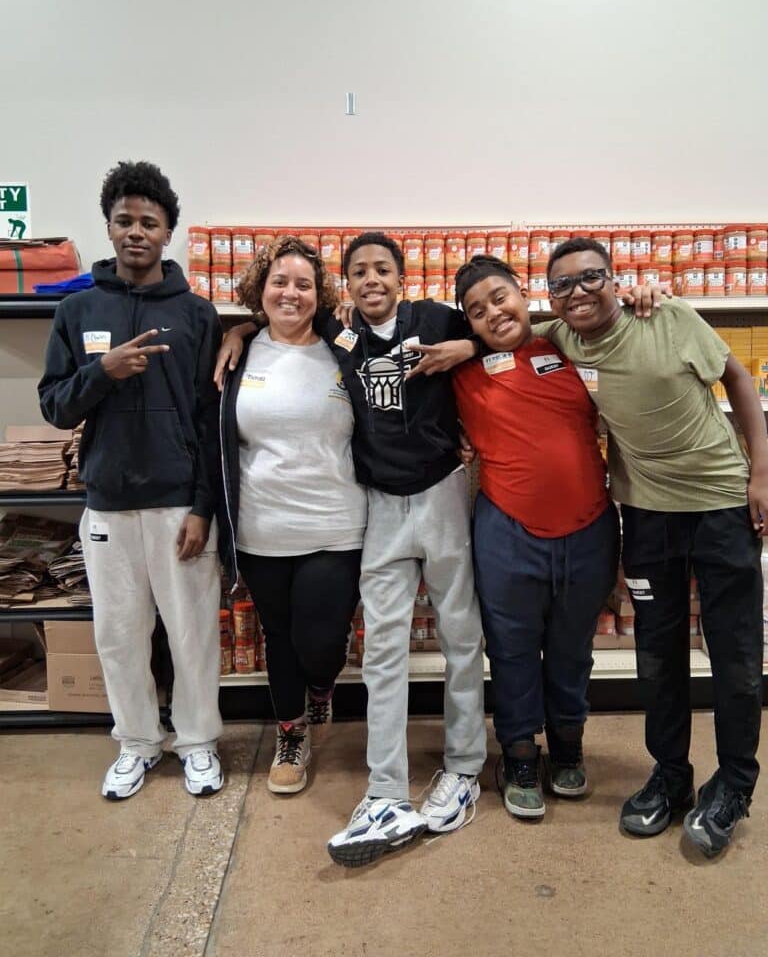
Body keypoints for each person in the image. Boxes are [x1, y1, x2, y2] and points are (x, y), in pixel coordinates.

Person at [216, 231, 487, 867]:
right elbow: (276, 325)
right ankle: (386, 789)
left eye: (382, 269)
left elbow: (508, 328)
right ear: (346, 284)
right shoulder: (341, 338)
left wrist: (470, 345)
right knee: (383, 652)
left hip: (443, 493)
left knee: (461, 635)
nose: (372, 280)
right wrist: (237, 331)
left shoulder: (435, 319)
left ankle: (465, 766)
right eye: (359, 270)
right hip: (379, 507)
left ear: (402, 277)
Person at [542, 236, 767, 858]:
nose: (578, 292)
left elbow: (737, 378)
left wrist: (761, 473)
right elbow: (494, 328)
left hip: (721, 507)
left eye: (591, 277)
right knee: (658, 659)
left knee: (736, 659)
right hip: (645, 517)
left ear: (616, 280)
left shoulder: (668, 317)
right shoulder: (560, 338)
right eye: (562, 284)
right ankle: (671, 776)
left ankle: (735, 785)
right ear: (551, 299)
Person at [39, 161, 224, 800]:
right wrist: (103, 372)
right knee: (118, 635)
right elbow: (55, 406)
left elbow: (210, 419)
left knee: (192, 633)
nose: (136, 232)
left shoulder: (196, 314)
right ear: (110, 227)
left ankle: (198, 743)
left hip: (178, 505)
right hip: (109, 504)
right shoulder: (77, 309)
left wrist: (202, 507)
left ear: (168, 232)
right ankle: (138, 743)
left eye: (149, 222)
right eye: (125, 221)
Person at [451, 254, 619, 820]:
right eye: (477, 311)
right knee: (512, 649)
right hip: (507, 531)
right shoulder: (462, 369)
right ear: (467, 324)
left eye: (500, 298)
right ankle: (520, 752)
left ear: (524, 294)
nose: (493, 313)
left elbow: (621, 323)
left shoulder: (573, 345)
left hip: (590, 528)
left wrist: (651, 298)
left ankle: (568, 744)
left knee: (572, 649)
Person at [218, 235, 367, 794]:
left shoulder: (344, 348)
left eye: (304, 284)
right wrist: (236, 332)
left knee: (320, 641)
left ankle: (322, 687)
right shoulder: (238, 353)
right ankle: (291, 734)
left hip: (336, 522)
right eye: (279, 281)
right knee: (279, 636)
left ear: (319, 294)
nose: (291, 293)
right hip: (262, 526)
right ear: (260, 290)